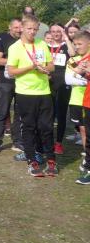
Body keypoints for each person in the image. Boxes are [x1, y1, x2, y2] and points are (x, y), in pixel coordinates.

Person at [6, 15, 57, 176]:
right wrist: (31, 67)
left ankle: (51, 161)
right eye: (29, 28)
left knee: (47, 127)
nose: (32, 32)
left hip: (44, 92)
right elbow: (11, 71)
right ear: (22, 28)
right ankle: (32, 161)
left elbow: (52, 66)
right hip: (25, 93)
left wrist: (45, 68)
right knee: (29, 127)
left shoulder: (42, 44)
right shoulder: (15, 47)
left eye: (35, 29)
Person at [0, 19, 23, 153]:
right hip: (6, 82)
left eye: (20, 27)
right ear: (9, 27)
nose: (18, 30)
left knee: (19, 113)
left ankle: (17, 141)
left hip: (22, 81)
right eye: (16, 27)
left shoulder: (25, 40)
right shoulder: (2, 39)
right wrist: (15, 61)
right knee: (3, 112)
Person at [65, 30, 90, 184]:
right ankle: (88, 164)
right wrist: (72, 62)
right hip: (87, 101)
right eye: (75, 44)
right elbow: (79, 71)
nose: (77, 47)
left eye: (80, 44)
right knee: (88, 134)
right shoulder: (84, 58)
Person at [48, 23, 71, 155]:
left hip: (63, 83)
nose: (56, 33)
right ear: (50, 32)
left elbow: (73, 53)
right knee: (48, 114)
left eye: (59, 31)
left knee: (61, 114)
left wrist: (66, 38)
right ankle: (48, 140)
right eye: (53, 31)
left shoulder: (66, 46)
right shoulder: (45, 46)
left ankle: (58, 143)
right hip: (48, 83)